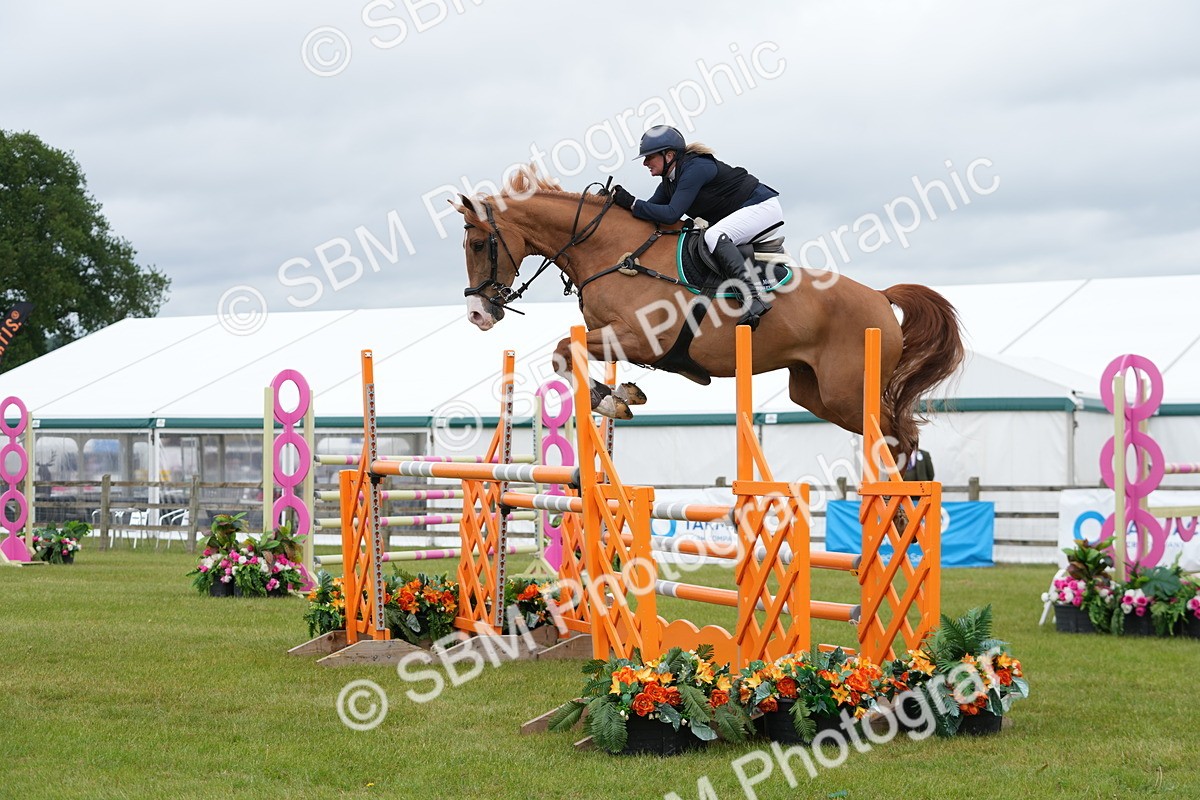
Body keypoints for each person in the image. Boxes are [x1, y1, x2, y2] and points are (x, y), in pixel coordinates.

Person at [609, 125, 783, 330]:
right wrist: (616, 207)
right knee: (708, 236)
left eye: (649, 157)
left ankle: (753, 297)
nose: (645, 163)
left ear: (669, 155)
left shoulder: (696, 168)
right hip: (746, 214)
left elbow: (671, 213)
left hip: (762, 208)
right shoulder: (669, 182)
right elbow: (651, 213)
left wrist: (632, 203)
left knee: (713, 235)